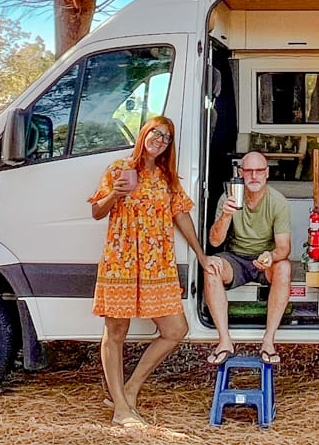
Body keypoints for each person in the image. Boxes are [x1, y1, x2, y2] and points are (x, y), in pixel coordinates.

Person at [89, 116, 207, 428]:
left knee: (175, 330)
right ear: (144, 133)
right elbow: (97, 211)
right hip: (121, 262)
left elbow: (181, 216)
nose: (160, 140)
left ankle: (130, 389)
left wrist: (200, 254)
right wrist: (115, 194)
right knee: (115, 333)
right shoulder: (119, 168)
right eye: (156, 133)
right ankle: (120, 409)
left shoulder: (168, 178)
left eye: (167, 137)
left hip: (157, 265)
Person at [203, 151, 292, 365]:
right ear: (240, 173)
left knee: (284, 267)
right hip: (235, 258)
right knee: (211, 267)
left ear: (267, 173)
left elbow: (284, 248)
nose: (254, 176)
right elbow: (214, 242)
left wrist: (270, 256)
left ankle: (268, 341)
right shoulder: (229, 197)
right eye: (249, 171)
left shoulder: (277, 201)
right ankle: (224, 341)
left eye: (259, 171)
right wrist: (226, 215)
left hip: (264, 260)